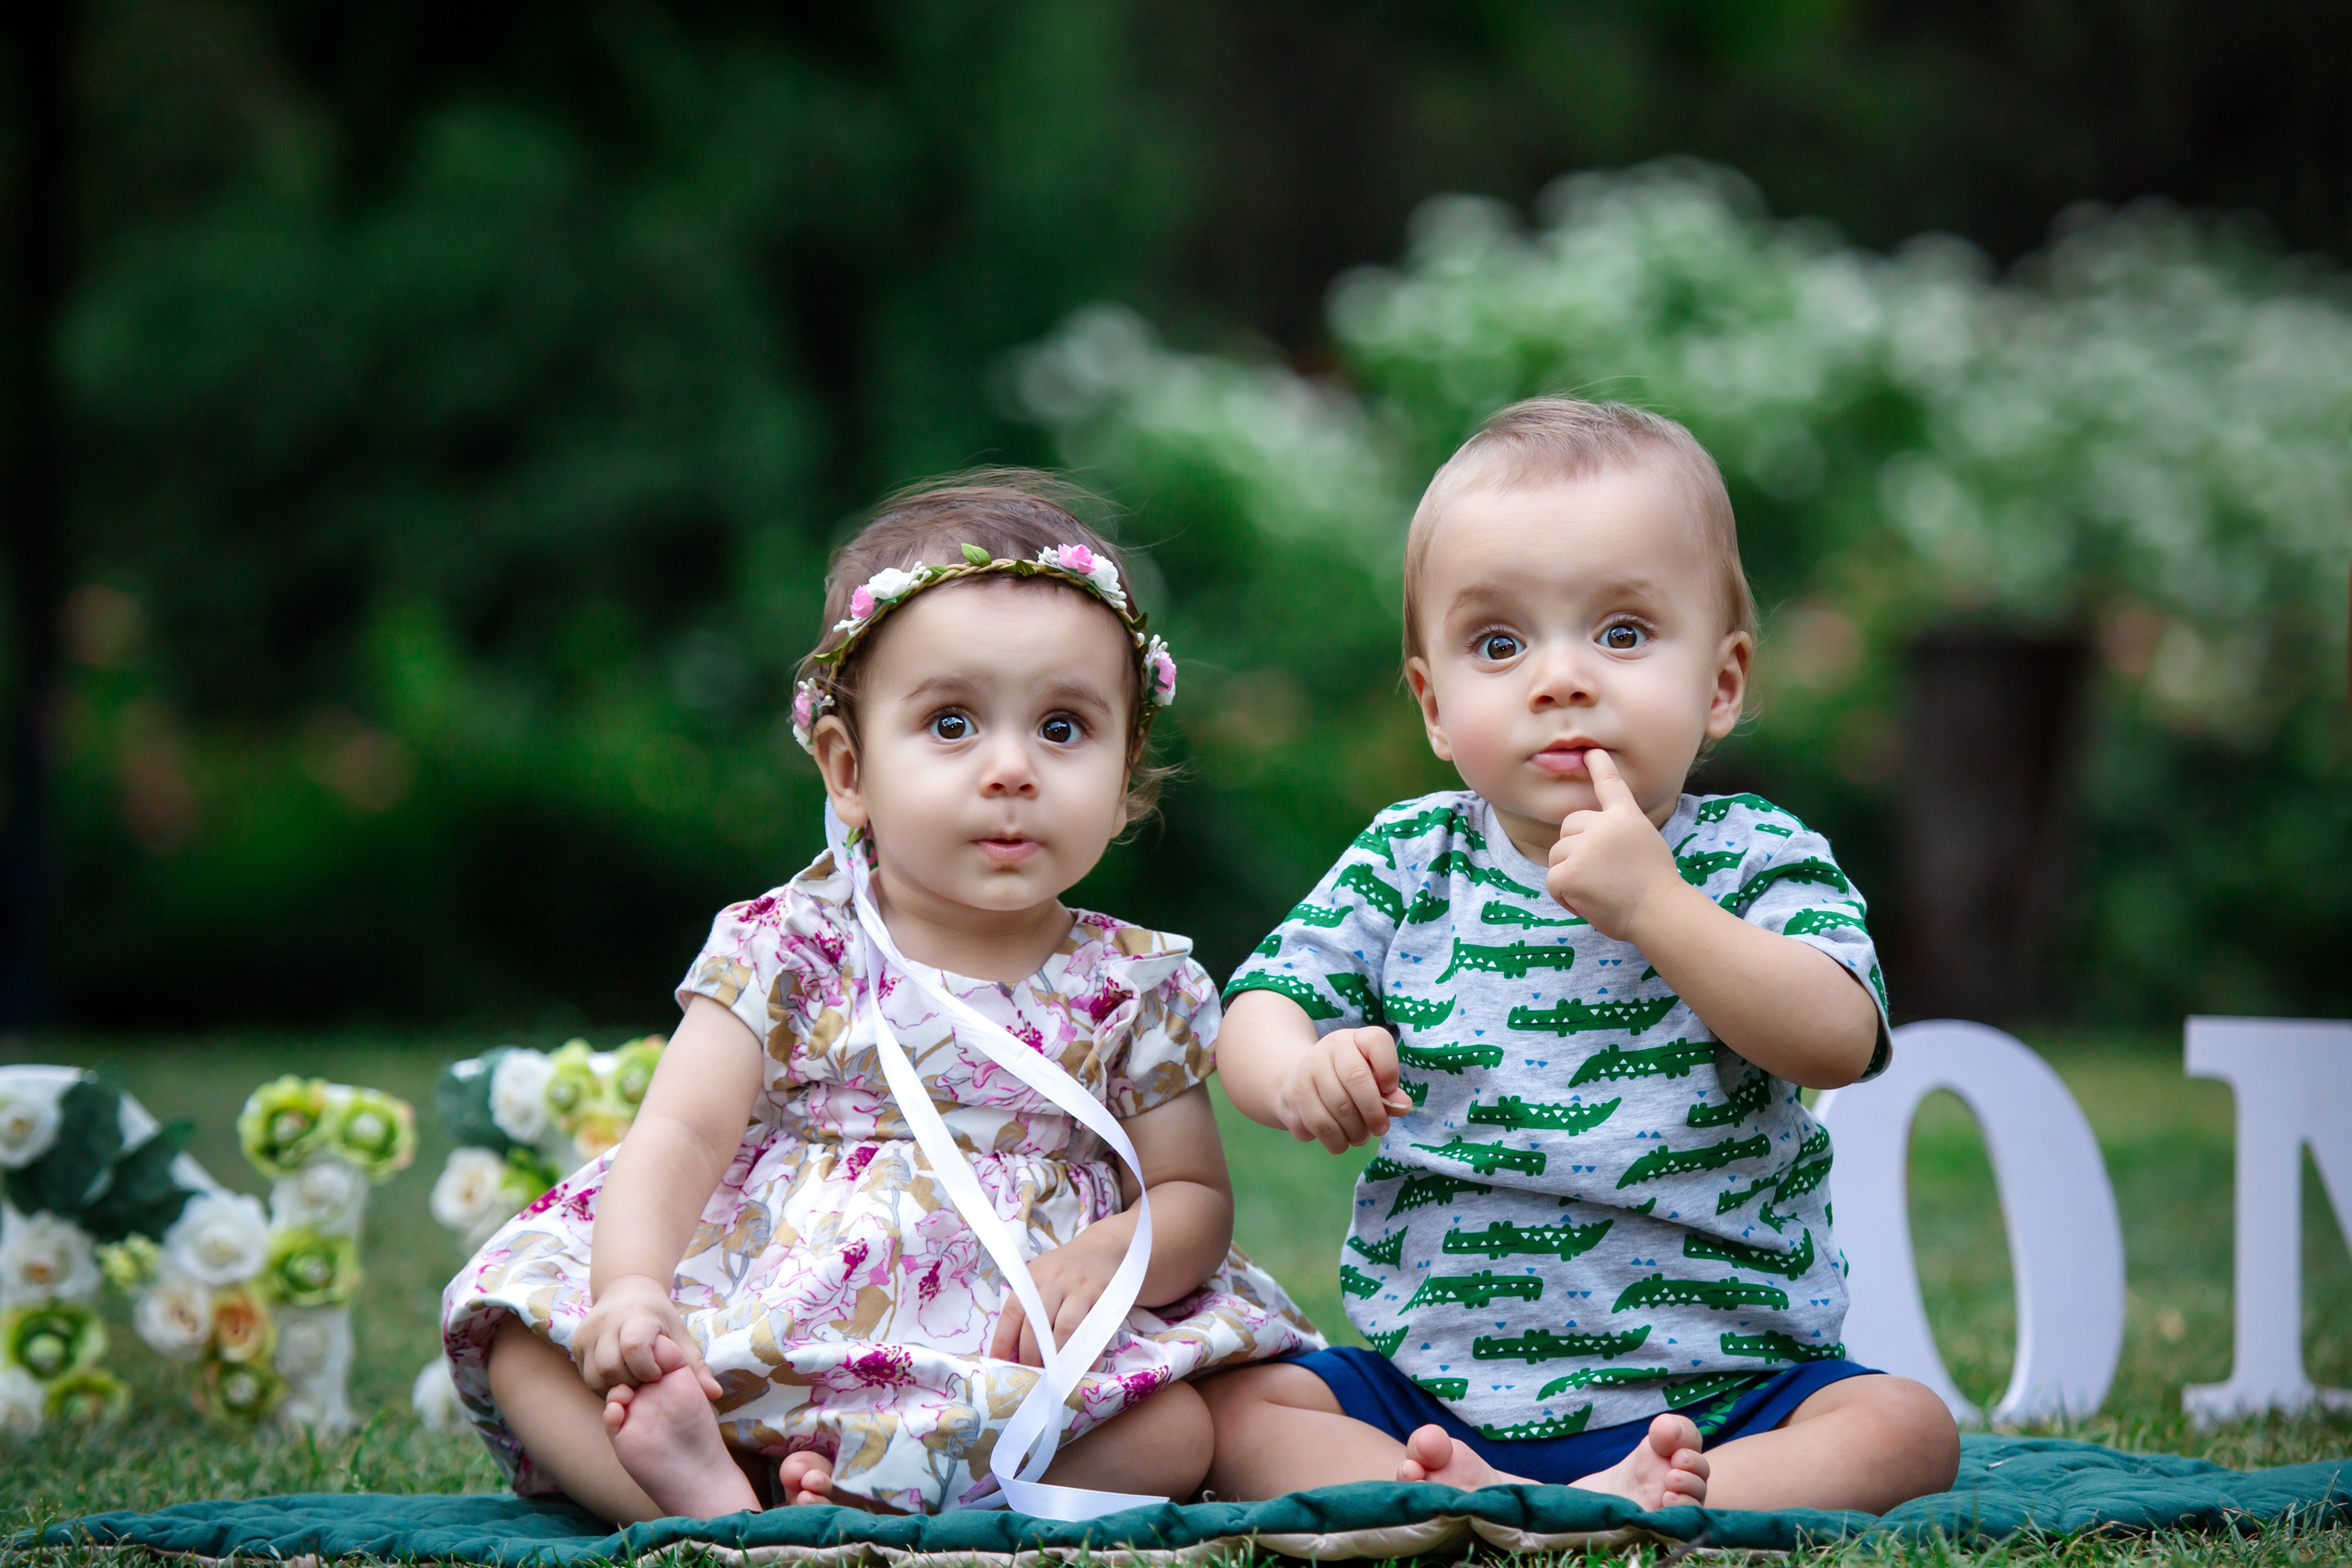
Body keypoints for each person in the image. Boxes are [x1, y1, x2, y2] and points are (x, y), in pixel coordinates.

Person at [442, 474, 1317, 1522]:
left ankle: (839, 1504)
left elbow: (1194, 1199)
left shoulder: (1140, 982)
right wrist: (631, 1290)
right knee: (527, 1346)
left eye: (1063, 728)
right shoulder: (792, 946)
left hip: (998, 1354)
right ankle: (713, 1489)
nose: (1010, 768)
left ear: (1127, 771)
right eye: (951, 723)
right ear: (847, 768)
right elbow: (676, 1133)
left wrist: (1109, 1252)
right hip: (774, 1316)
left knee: (1177, 1431)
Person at [1202, 400, 1961, 1513]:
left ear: (1722, 683)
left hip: (1723, 1389)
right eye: (1498, 645)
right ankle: (1470, 1489)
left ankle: (1658, 1492)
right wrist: (1296, 1072)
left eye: (1620, 633)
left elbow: (1839, 1037)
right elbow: (1261, 1003)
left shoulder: (1752, 858)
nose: (1558, 680)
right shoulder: (1411, 858)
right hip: (1432, 1388)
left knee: (1903, 1427)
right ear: (1432, 704)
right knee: (1232, 1413)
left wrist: (1660, 906)